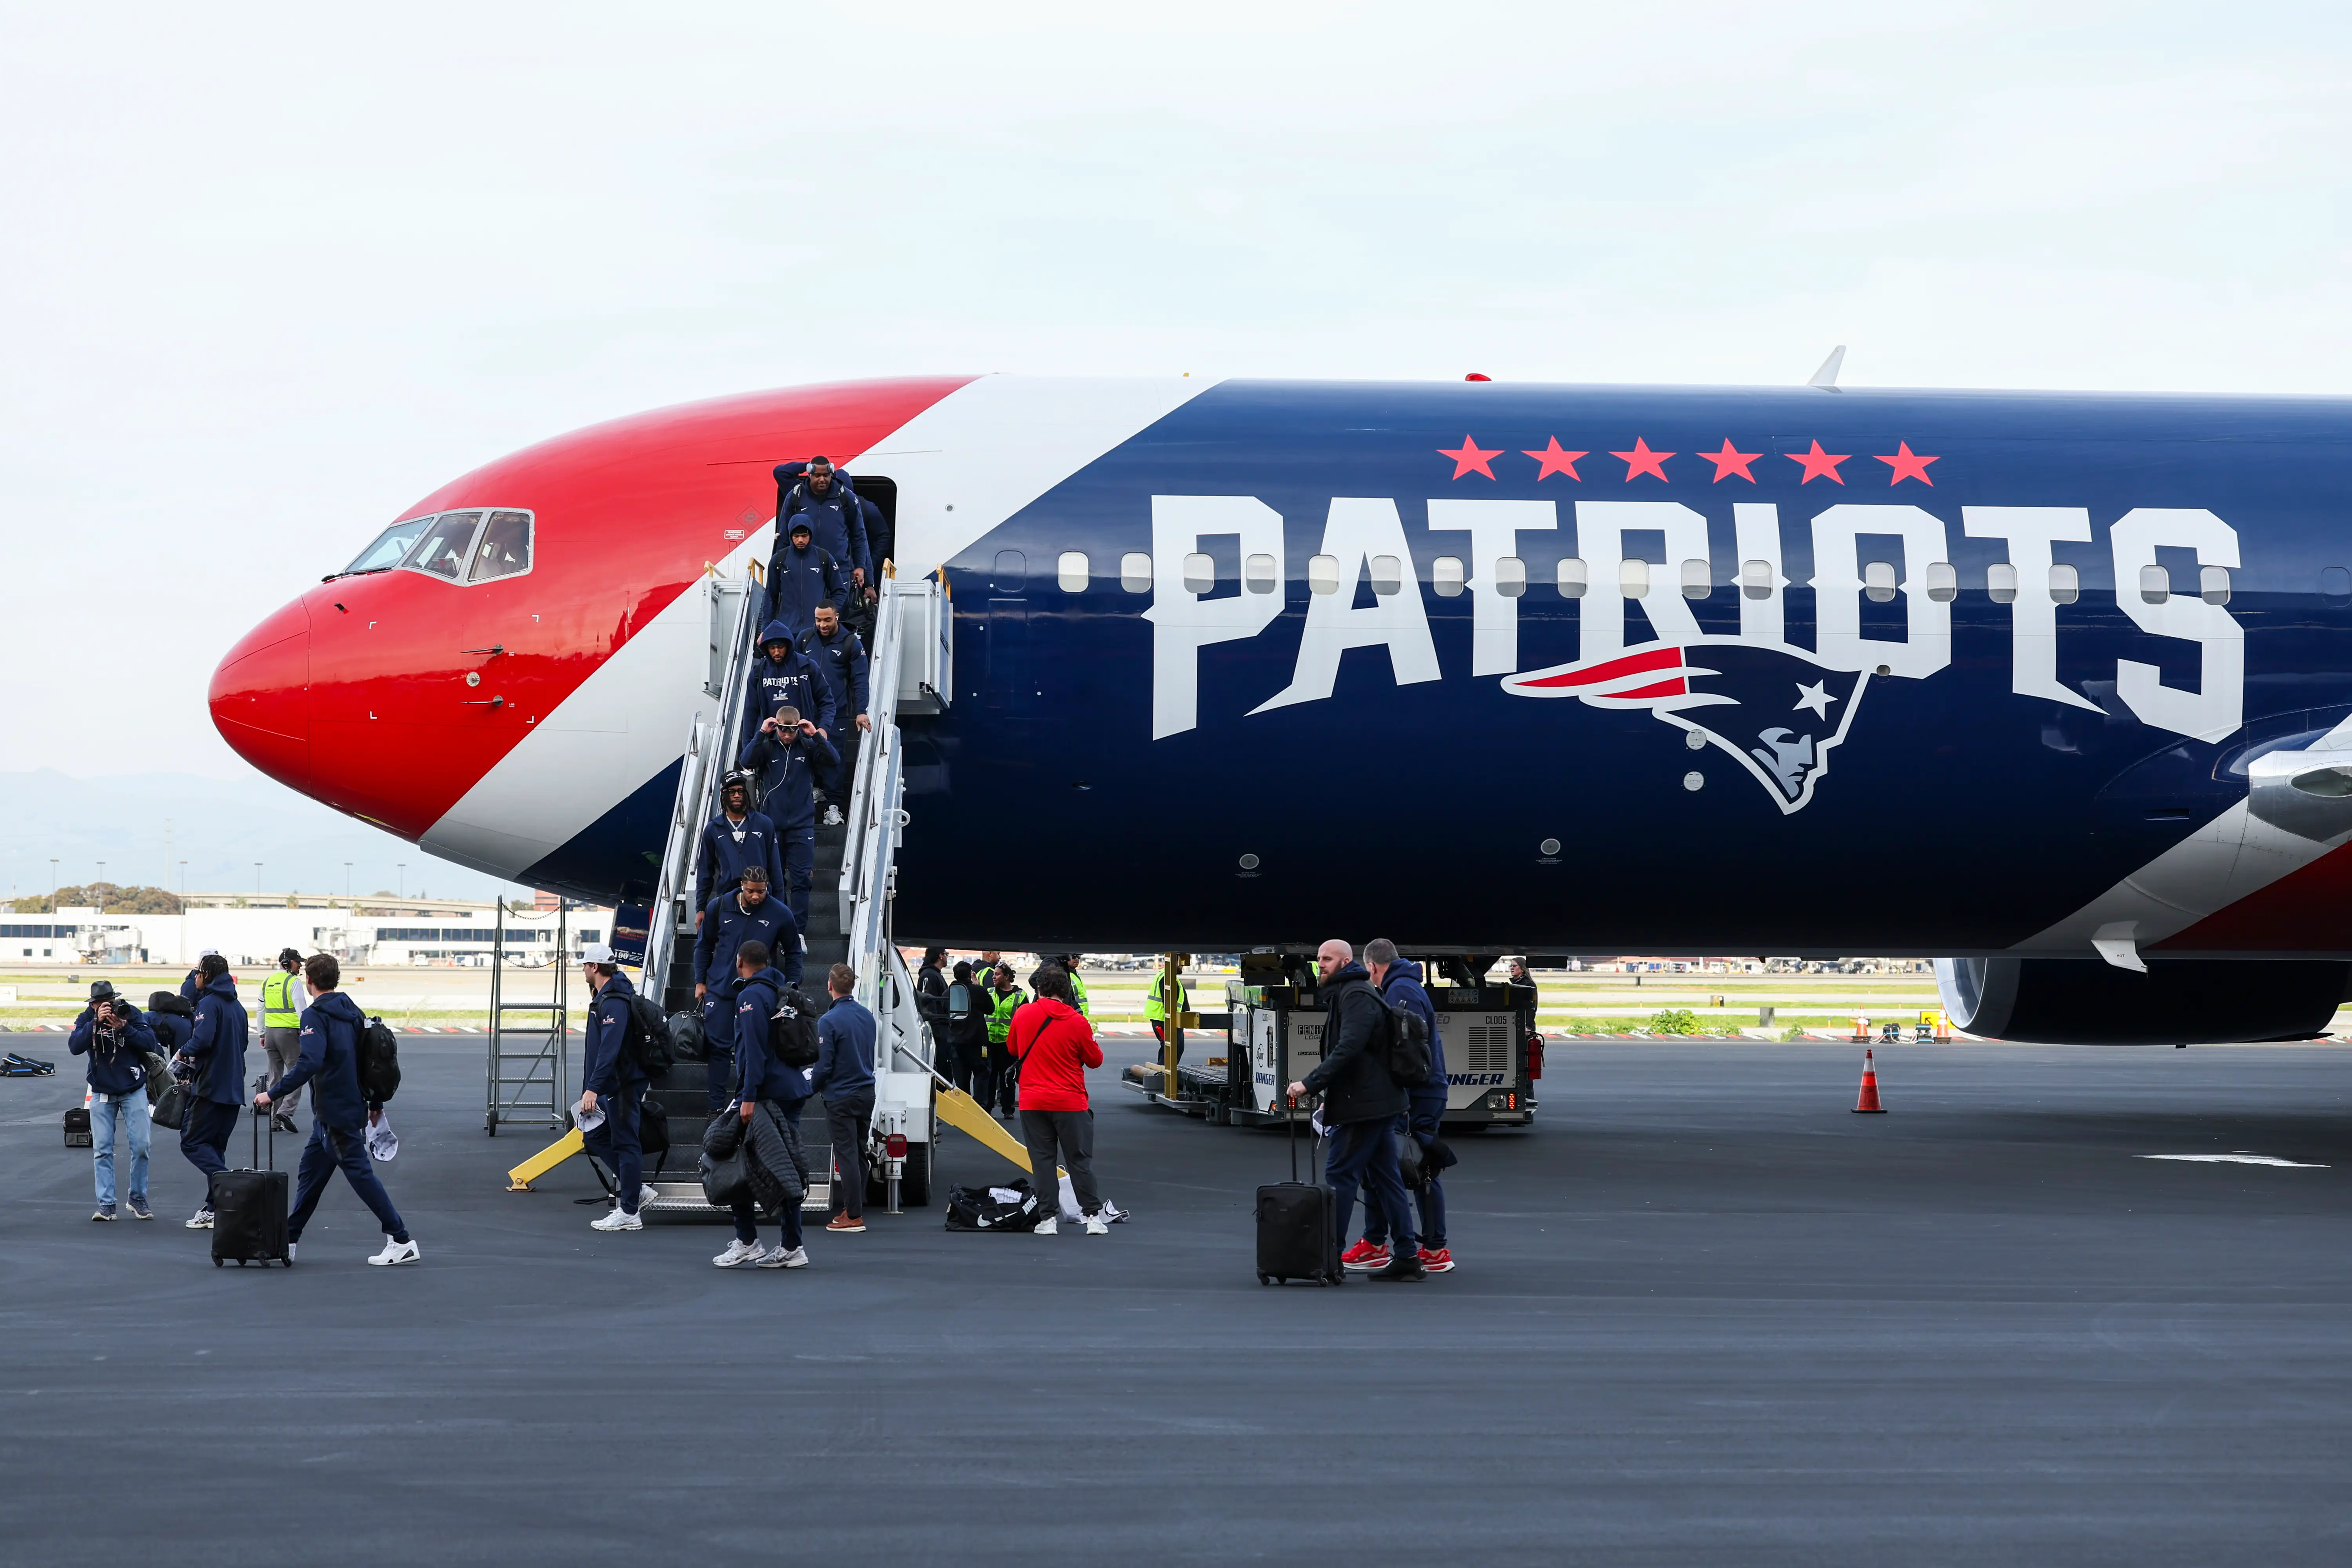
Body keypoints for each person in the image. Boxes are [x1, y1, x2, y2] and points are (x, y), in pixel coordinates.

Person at [254, 954, 416, 1265]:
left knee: (361, 1176)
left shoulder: (315, 1016)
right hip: (342, 1107)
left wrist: (272, 1094)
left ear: (309, 981)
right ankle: (288, 1239)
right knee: (310, 1175)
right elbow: (367, 1060)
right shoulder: (352, 1011)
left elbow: (310, 1062)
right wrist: (375, 1103)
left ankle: (401, 1238)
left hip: (335, 1110)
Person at [1286, 939, 1422, 1281]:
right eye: (1319, 959)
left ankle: (1330, 1257)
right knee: (1386, 1176)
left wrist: (1310, 1083)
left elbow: (1349, 1047)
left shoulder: (1356, 995)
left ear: (1346, 961)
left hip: (1365, 1105)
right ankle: (1407, 1255)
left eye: (1328, 959)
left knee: (1341, 1176)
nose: (1321, 964)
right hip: (1372, 1101)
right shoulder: (1348, 992)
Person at [1345, 939, 1453, 1274]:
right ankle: (1381, 1241)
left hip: (1414, 1096)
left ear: (1373, 967)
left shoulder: (1397, 992)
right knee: (1391, 1167)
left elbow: (1406, 1051)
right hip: (1422, 1093)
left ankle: (1429, 1248)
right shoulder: (1405, 986)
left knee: (1414, 1169)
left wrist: (1398, 1096)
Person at [714, 940, 812, 1268]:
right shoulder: (780, 991)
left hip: (765, 1095)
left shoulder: (750, 997)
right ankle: (790, 1244)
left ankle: (747, 1240)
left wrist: (748, 1097)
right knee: (782, 1167)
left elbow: (753, 1052)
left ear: (739, 961)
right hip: (790, 1088)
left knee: (735, 1162)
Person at [1007, 965, 1108, 1236]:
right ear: (1067, 991)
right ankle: (1092, 1218)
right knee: (1079, 1161)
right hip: (1070, 1102)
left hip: (1032, 1100)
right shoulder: (1077, 1021)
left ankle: (1047, 1219)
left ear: (1038, 989)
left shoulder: (1024, 1013)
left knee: (1042, 1161)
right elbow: (1095, 1060)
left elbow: (1013, 1048)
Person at [692, 866, 800, 1112]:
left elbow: (794, 951)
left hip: (760, 993)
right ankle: (716, 1109)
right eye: (751, 891)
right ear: (742, 885)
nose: (756, 897)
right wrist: (700, 981)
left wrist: (791, 986)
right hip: (721, 990)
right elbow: (704, 946)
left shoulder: (780, 913)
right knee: (718, 1050)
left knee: (756, 1049)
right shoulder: (719, 907)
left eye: (761, 892)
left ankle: (753, 1103)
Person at [578, 944, 656, 1232]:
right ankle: (637, 1190)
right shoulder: (607, 997)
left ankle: (630, 1212)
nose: (583, 970)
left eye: (585, 965)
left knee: (625, 1142)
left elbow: (609, 1050)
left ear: (595, 967)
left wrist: (593, 1089)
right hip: (612, 1084)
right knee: (595, 1136)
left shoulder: (613, 1001)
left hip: (621, 1083)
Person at [70, 981, 158, 1221]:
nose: (106, 1008)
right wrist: (94, 1023)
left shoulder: (129, 1012)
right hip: (101, 1090)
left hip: (134, 1088)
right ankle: (106, 1204)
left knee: (142, 1146)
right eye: (100, 1004)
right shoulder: (87, 1018)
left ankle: (137, 1199)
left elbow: (151, 1043)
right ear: (93, 1004)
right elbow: (74, 1046)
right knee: (102, 1150)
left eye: (109, 1003)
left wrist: (124, 1027)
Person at [174, 952, 249, 1229]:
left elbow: (202, 1039)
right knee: (215, 1148)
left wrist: (185, 1051)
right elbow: (241, 1045)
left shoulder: (209, 1003)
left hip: (210, 1087)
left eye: (197, 972)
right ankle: (214, 1207)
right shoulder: (238, 1007)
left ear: (206, 974)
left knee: (191, 1141)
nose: (195, 977)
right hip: (233, 1088)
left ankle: (229, 1183)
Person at [810, 962, 877, 1234]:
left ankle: (854, 1215)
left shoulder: (828, 1021)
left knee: (846, 1154)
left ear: (830, 986)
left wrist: (810, 1086)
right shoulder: (867, 1016)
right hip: (865, 1092)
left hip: (841, 1096)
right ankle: (853, 1207)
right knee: (859, 1152)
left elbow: (825, 1065)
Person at [797, 602, 870, 826]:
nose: (822, 625)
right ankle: (816, 789)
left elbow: (860, 680)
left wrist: (861, 711)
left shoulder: (851, 643)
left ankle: (833, 807)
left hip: (837, 711)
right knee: (806, 753)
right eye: (818, 620)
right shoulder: (804, 638)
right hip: (807, 711)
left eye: (827, 620)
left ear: (837, 617)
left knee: (833, 757)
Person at [695, 769, 786, 917]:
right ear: (724, 795)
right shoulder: (713, 829)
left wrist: (780, 905)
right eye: (732, 792)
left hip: (762, 899)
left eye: (740, 791)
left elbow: (776, 868)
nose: (737, 795)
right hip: (728, 901)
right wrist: (701, 908)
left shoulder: (764, 824)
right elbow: (705, 872)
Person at [774, 456, 870, 589]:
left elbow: (859, 536)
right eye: (817, 475)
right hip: (802, 570)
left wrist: (861, 568)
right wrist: (778, 567)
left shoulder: (847, 497)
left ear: (831, 474)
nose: (822, 479)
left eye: (826, 475)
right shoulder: (795, 496)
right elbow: (784, 535)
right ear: (809, 474)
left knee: (837, 610)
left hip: (839, 571)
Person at [761, 518, 847, 642]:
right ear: (791, 536)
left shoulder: (824, 558)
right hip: (787, 630)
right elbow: (770, 597)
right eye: (796, 536)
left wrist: (828, 616)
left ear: (811, 536)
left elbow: (840, 591)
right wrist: (765, 629)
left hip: (816, 632)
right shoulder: (779, 560)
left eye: (805, 536)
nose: (800, 540)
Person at [258, 948, 305, 1134]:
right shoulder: (293, 982)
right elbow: (302, 1010)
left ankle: (274, 1122)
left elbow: (261, 1009)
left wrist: (262, 1033)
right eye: (297, 962)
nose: (300, 965)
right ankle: (286, 1111)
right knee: (298, 1073)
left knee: (275, 1077)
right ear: (287, 964)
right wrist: (308, 1033)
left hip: (270, 1034)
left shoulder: (267, 982)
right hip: (289, 1034)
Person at [984, 962, 1028, 1119]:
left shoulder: (1020, 996)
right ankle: (986, 1108)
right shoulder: (989, 992)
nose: (993, 977)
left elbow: (1024, 1020)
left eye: (997, 974)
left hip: (1008, 1044)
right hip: (989, 1043)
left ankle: (1008, 1109)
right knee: (989, 1076)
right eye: (994, 974)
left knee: (1007, 1077)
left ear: (1007, 977)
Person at [942, 959, 988, 1097]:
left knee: (961, 1077)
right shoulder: (978, 991)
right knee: (982, 1073)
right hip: (978, 1041)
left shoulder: (948, 993)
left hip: (956, 1042)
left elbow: (944, 1012)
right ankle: (981, 1106)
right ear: (970, 974)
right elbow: (990, 1009)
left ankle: (965, 1106)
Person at [914, 946, 950, 1063]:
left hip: (940, 1026)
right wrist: (936, 1030)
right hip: (937, 1027)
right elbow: (929, 1002)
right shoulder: (930, 975)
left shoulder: (934, 974)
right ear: (941, 956)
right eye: (947, 954)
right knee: (941, 1064)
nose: (947, 957)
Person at [1147, 962, 1189, 1061]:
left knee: (1171, 1048)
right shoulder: (1167, 977)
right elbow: (1169, 1002)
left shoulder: (1168, 975)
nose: (1183, 965)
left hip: (1167, 1020)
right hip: (1164, 1020)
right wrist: (1172, 1021)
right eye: (1180, 962)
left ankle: (1163, 1072)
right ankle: (1163, 1073)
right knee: (1173, 1048)